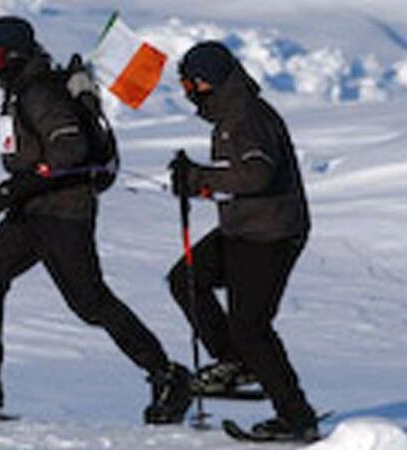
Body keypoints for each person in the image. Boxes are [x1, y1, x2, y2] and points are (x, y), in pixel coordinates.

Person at [0, 16, 192, 425]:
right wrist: (20, 192)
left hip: (63, 212)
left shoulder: (40, 93)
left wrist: (13, 190)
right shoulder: (24, 89)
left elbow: (69, 151)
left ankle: (168, 375)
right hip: (35, 209)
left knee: (90, 302)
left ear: (13, 55)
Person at [168, 41, 318, 441]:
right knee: (186, 278)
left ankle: (296, 417)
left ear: (208, 82)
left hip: (271, 234)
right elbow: (235, 177)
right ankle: (236, 363)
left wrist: (200, 177)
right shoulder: (230, 115)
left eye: (190, 84)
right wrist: (194, 181)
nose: (187, 92)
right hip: (245, 228)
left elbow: (256, 175)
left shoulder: (247, 117)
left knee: (251, 326)